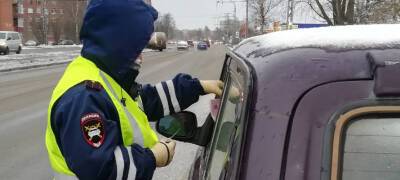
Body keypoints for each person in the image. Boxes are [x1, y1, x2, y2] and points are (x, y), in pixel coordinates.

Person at [45, 0, 223, 179]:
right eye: (136, 48)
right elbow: (102, 171)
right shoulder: (84, 97)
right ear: (118, 43)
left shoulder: (104, 75)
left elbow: (147, 100)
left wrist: (197, 87)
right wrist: (153, 158)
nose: (140, 58)